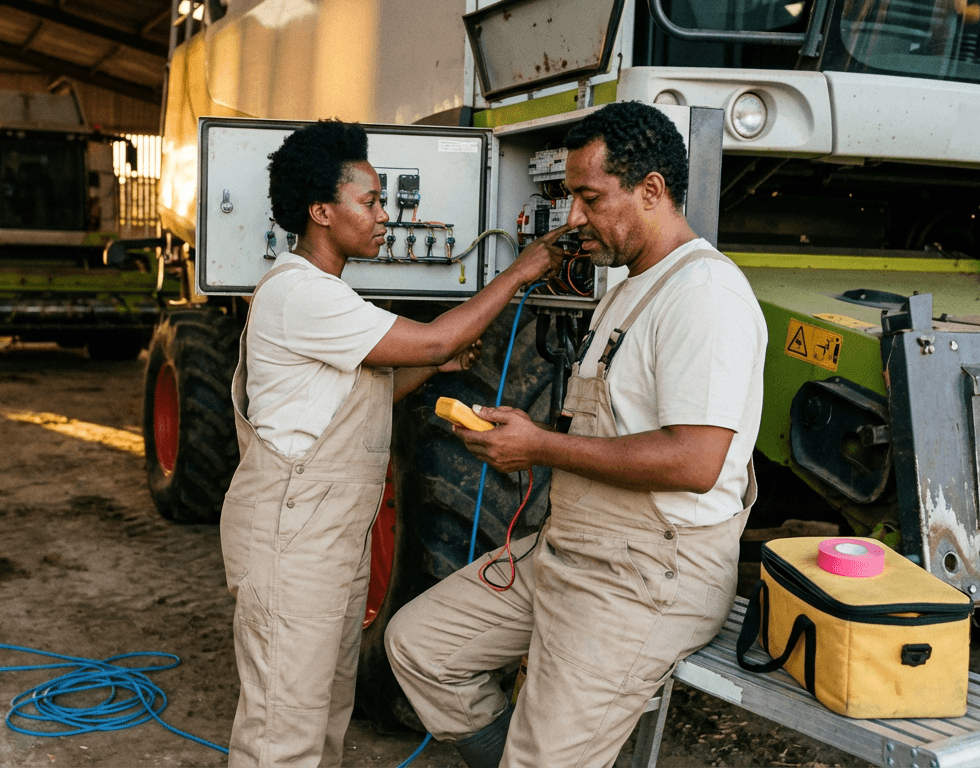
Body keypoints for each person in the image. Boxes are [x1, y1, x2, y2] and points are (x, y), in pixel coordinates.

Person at [384, 101, 768, 768]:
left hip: (647, 573)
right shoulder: (629, 287)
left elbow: (697, 460)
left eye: (589, 198)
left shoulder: (706, 295)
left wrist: (540, 446)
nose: (573, 219)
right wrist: (528, 442)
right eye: (569, 198)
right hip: (571, 550)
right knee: (419, 647)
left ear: (651, 189)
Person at [219, 119, 571, 767]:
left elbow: (362, 398)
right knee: (280, 732)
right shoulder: (300, 293)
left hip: (327, 541)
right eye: (370, 202)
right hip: (292, 545)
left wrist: (428, 368)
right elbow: (435, 337)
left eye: (383, 201)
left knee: (322, 715)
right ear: (322, 212)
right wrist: (519, 273)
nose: (385, 215)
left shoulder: (327, 295)